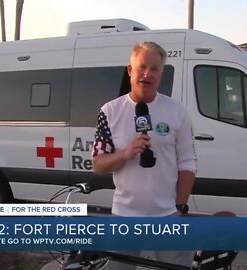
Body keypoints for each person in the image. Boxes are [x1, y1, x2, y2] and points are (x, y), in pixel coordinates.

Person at [91, 41, 196, 269]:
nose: (147, 74)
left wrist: (179, 206)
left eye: (154, 69)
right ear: (130, 70)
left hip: (168, 215)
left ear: (161, 74)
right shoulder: (109, 112)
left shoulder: (177, 111)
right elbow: (98, 164)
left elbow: (188, 162)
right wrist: (126, 153)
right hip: (125, 217)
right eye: (142, 67)